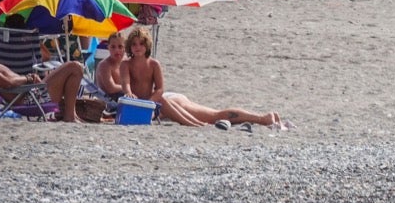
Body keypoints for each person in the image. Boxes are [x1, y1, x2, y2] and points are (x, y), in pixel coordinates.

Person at [119, 27, 284, 129]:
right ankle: (263, 118)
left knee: (213, 116)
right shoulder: (123, 64)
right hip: (154, 102)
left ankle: (263, 118)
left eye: (141, 44)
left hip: (164, 99)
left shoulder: (153, 64)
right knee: (209, 116)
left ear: (147, 45)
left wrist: (148, 102)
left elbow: (159, 89)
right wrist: (129, 94)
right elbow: (125, 83)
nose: (137, 47)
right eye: (134, 44)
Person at [0, 27, 87, 122]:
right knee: (74, 67)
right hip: (29, 100)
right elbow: (7, 83)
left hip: (31, 94)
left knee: (74, 68)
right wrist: (28, 78)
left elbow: (10, 81)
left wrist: (30, 78)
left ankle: (70, 114)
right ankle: (69, 116)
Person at [94, 31, 125, 101]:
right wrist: (129, 88)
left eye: (120, 47)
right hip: (108, 101)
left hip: (121, 98)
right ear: (108, 47)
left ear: (125, 48)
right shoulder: (104, 65)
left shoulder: (125, 62)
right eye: (113, 47)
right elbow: (111, 88)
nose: (117, 50)